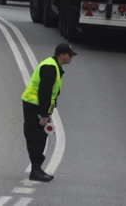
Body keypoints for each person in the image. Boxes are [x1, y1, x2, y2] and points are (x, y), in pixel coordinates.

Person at [21, 42, 77, 182]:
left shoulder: (54, 66)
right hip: (34, 106)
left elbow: (51, 93)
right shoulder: (50, 68)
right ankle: (35, 170)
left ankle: (37, 168)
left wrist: (49, 111)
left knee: (40, 137)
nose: (71, 58)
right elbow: (44, 93)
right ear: (62, 55)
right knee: (36, 138)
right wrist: (44, 115)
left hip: (36, 106)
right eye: (70, 55)